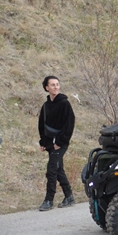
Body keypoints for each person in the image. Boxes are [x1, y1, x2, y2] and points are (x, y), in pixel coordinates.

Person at [37, 76, 76, 211]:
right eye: (52, 85)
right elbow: (42, 124)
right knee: (58, 169)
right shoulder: (46, 105)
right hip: (50, 143)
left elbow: (69, 124)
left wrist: (60, 142)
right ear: (47, 88)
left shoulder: (65, 104)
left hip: (60, 143)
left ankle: (49, 200)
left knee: (51, 170)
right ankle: (69, 196)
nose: (56, 87)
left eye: (57, 84)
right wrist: (43, 142)